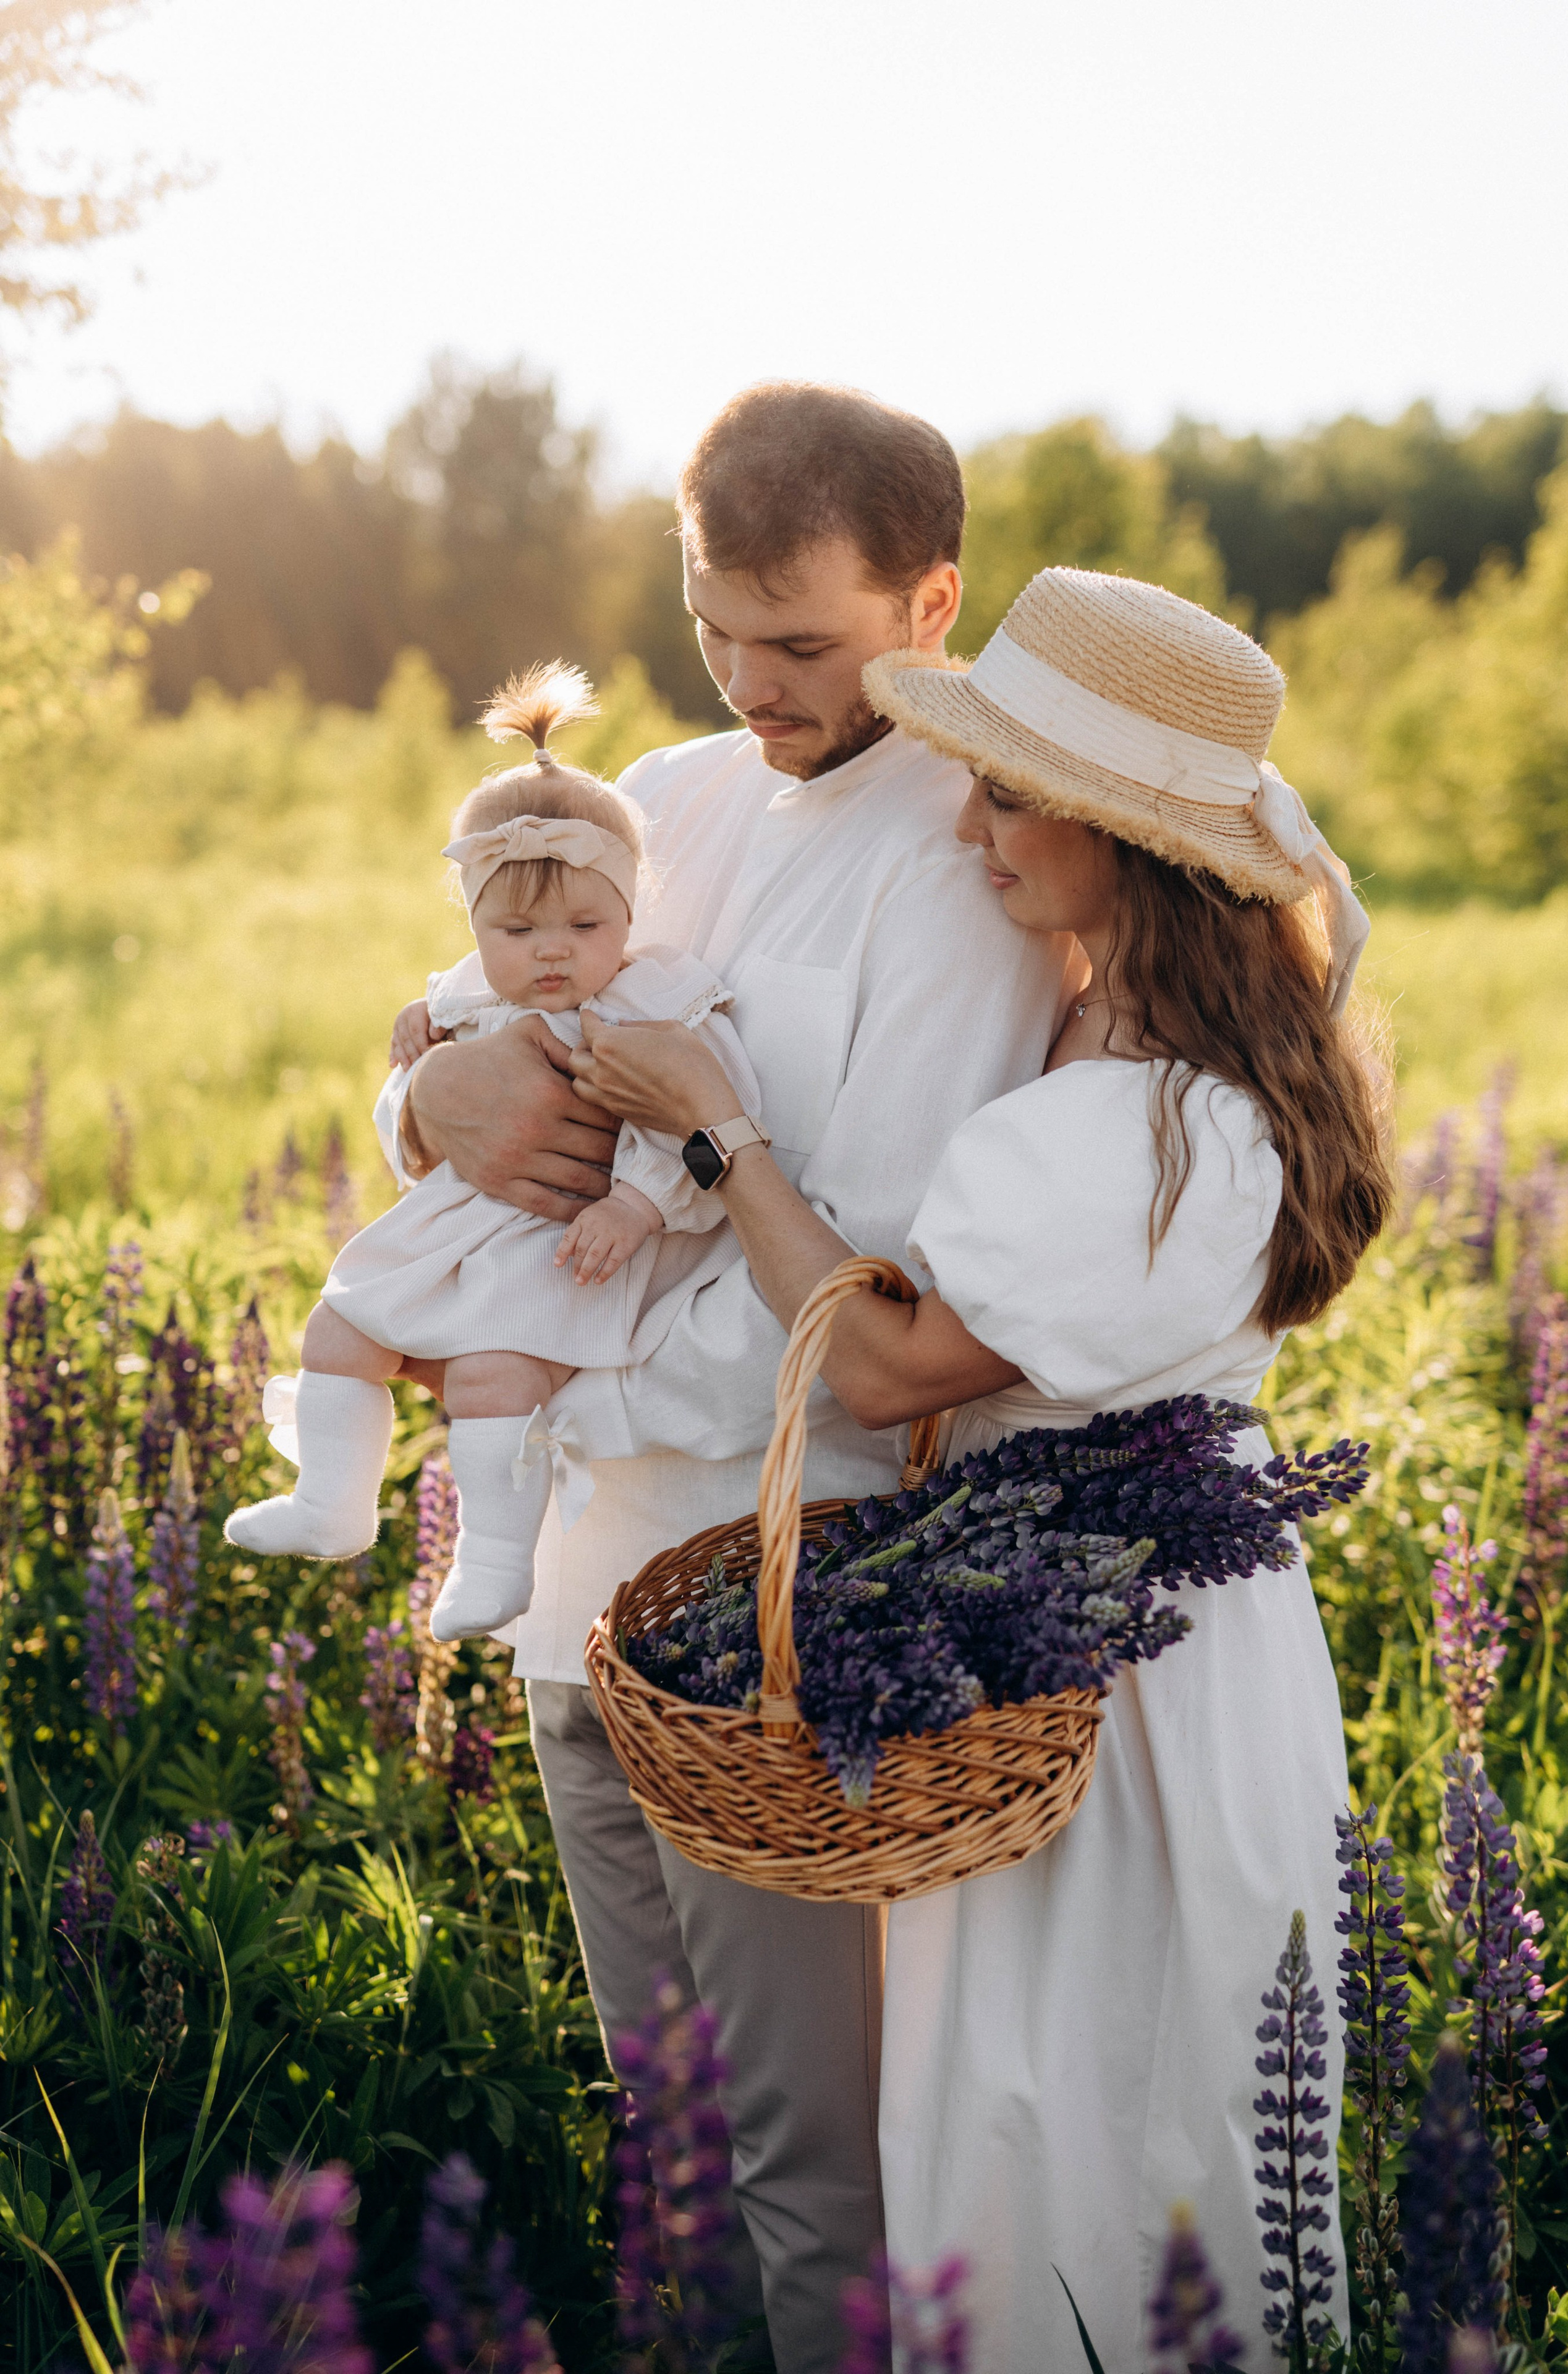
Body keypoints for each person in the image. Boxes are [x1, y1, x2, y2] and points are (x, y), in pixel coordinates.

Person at [564, 565, 1392, 2371]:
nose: (971, 816)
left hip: (1099, 1674)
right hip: (1198, 1641)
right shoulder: (1175, 1064)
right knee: (1160, 2104)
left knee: (1062, 2117)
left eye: (1013, 793)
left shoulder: (1140, 1120)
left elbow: (887, 1358)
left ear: (1130, 844)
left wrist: (718, 1135)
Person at [383, 384, 1085, 2370]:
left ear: (932, 600)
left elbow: (864, 1278)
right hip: (560, 1613)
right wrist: (411, 1097)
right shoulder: (666, 797)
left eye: (805, 641)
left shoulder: (964, 866)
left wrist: (556, 1379)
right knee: (663, 2140)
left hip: (761, 1613)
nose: (752, 681)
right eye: (716, 626)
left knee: (803, 2163)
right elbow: (488, 1023)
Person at [224, 664, 759, 1647]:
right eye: (517, 930)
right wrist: (419, 1061)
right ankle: (332, 1501)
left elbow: (709, 1117)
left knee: (492, 1381)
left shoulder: (654, 1001)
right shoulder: (469, 992)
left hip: (560, 1241)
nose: (551, 953)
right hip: (450, 1227)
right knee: (339, 1333)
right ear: (472, 921)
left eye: (585, 926)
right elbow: (416, 1113)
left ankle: (496, 1562)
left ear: (632, 912)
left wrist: (636, 1209)